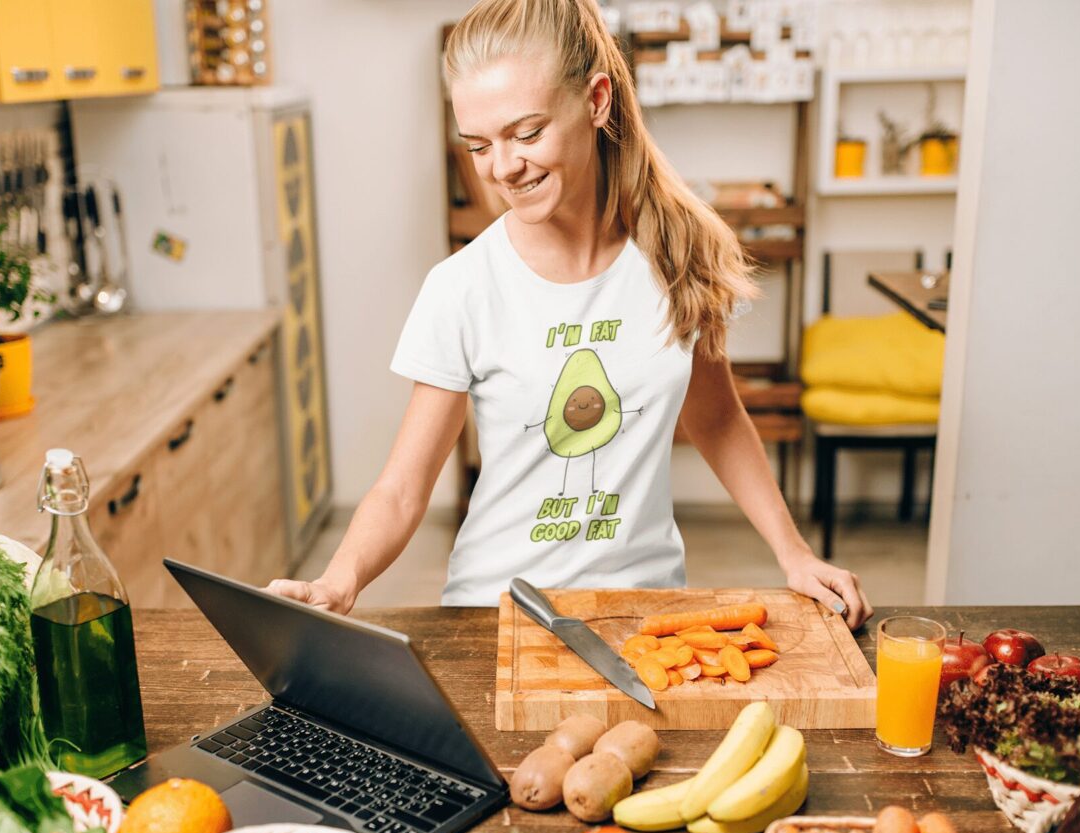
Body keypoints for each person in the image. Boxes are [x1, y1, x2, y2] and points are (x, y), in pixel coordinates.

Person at [268, 0, 874, 629]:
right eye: (479, 145)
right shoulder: (463, 288)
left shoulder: (675, 253)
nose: (504, 167)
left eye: (526, 133)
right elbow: (402, 489)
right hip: (497, 617)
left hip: (646, 612)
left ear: (597, 101)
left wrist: (794, 553)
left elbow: (718, 419)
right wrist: (338, 583)